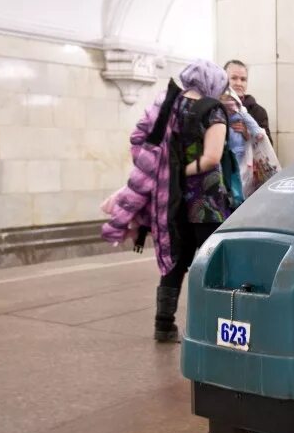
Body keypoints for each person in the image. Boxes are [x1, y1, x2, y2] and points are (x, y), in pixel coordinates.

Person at [101, 60, 233, 341]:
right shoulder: (213, 110)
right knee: (215, 262)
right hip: (204, 200)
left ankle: (164, 324)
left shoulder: (167, 105)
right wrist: (180, 171)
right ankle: (216, 327)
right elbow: (211, 158)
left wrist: (167, 174)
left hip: (170, 199)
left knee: (176, 260)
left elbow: (143, 142)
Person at [224, 60, 271, 141]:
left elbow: (268, 146)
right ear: (223, 80)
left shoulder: (258, 111)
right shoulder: (214, 107)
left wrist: (248, 133)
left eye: (243, 79)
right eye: (234, 78)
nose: (239, 83)